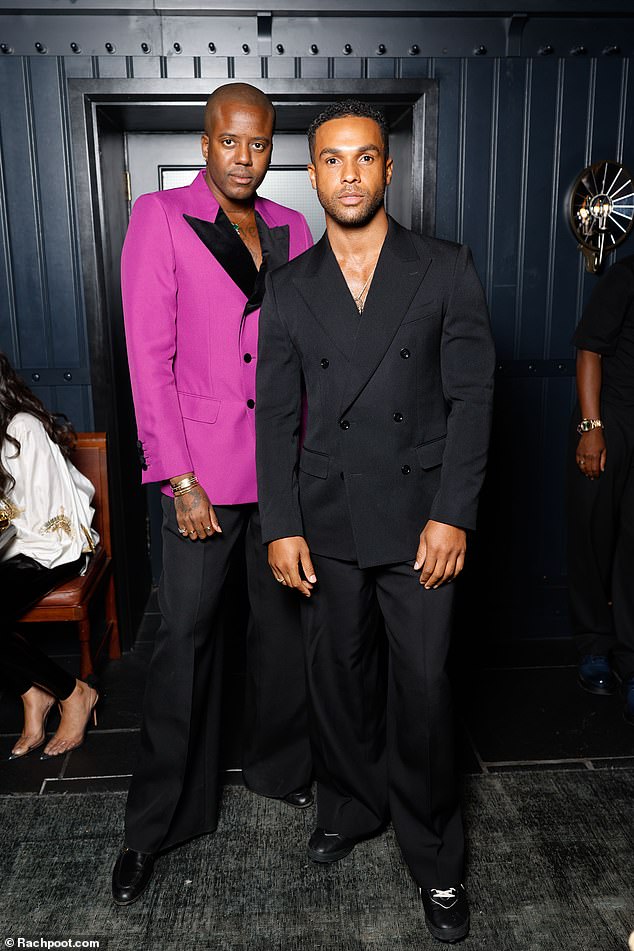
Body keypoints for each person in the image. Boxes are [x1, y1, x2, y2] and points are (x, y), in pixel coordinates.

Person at [255, 100, 495, 944]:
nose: (349, 173)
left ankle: (435, 858)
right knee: (339, 680)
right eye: (331, 159)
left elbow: (472, 401)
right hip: (326, 522)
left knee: (425, 692)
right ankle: (352, 805)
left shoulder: (446, 267)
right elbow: (276, 416)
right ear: (312, 173)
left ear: (389, 170)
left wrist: (453, 513)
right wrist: (280, 522)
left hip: (423, 522)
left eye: (364, 157)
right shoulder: (286, 286)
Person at [112, 82, 314, 905]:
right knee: (186, 648)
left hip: (281, 472)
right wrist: (180, 477)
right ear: (205, 143)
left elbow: (302, 351)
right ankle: (156, 823)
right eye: (229, 141)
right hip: (200, 475)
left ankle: (278, 771)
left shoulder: (293, 228)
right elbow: (148, 361)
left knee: (281, 639)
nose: (243, 156)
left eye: (259, 143)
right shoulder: (158, 219)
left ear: (272, 148)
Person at [0, 352, 99, 760]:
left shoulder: (23, 426)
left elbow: (49, 519)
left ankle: (72, 692)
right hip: (15, 546)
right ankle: (31, 694)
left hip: (53, 548)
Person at [567, 254, 634, 722]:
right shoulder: (628, 274)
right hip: (610, 421)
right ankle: (594, 643)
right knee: (593, 533)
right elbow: (590, 347)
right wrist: (592, 427)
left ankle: (631, 664)